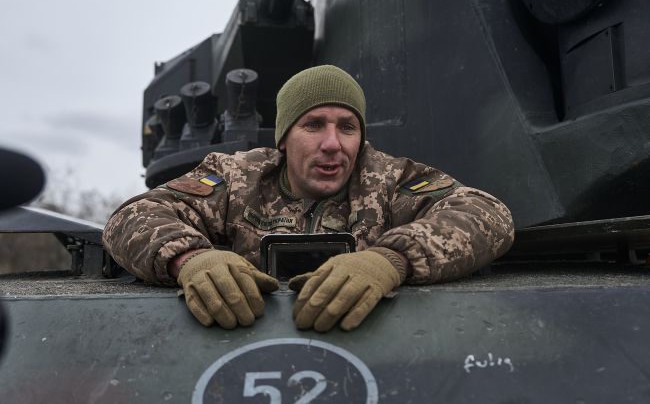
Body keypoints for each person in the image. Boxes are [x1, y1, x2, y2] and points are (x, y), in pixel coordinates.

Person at [103, 65, 514, 332]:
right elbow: (133, 216)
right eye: (314, 124)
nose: (333, 143)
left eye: (347, 127)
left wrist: (391, 259)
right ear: (284, 138)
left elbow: (487, 213)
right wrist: (190, 259)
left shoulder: (389, 178)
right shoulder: (238, 176)